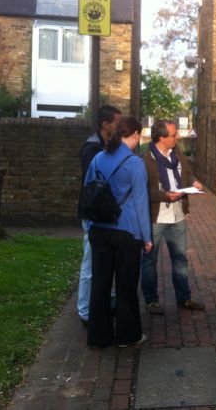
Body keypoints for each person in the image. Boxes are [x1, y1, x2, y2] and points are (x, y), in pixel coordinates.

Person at [84, 117, 153, 348]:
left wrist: (89, 223)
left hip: (99, 229)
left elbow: (88, 191)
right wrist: (147, 237)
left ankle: (98, 337)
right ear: (133, 135)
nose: (138, 141)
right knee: (126, 286)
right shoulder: (135, 164)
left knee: (100, 284)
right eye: (139, 137)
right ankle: (128, 336)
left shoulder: (97, 158)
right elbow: (142, 203)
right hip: (126, 232)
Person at [140, 120, 205, 313]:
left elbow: (188, 173)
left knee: (180, 259)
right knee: (149, 261)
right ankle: (151, 301)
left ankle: (184, 298)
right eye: (173, 134)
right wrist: (164, 195)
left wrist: (194, 182)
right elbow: (141, 192)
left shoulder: (177, 154)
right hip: (156, 219)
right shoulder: (144, 159)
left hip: (177, 216)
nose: (176, 137)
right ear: (162, 137)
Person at [76, 105, 122, 326]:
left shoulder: (104, 146)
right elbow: (93, 186)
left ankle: (101, 301)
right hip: (94, 214)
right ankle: (85, 310)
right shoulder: (91, 149)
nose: (119, 127)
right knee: (89, 262)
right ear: (105, 124)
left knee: (100, 261)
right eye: (116, 123)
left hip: (103, 214)